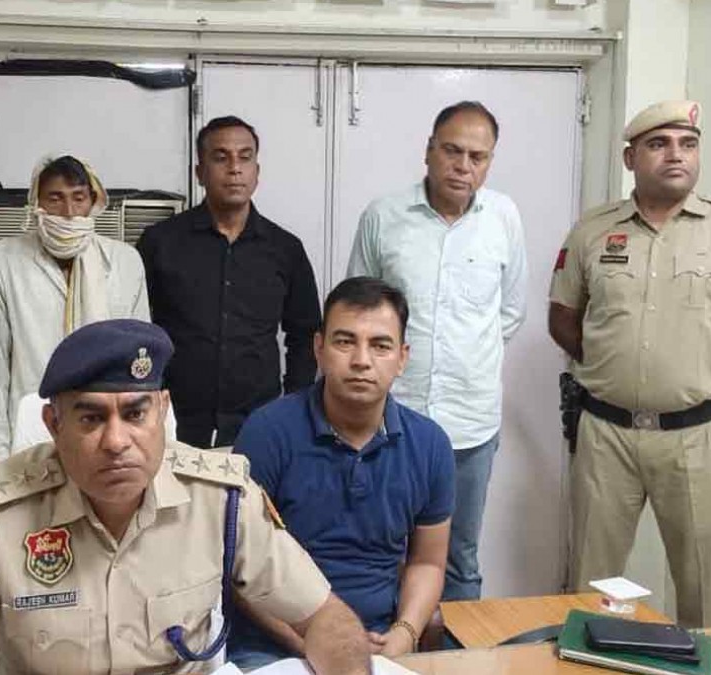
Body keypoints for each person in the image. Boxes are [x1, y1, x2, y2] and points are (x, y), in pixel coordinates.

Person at [0, 319, 374, 675]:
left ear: (162, 411)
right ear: (54, 425)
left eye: (136, 414)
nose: (117, 441)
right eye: (91, 419)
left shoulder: (221, 497)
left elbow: (326, 619)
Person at [548, 100, 711, 628]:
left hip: (698, 437)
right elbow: (562, 318)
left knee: (703, 588)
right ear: (630, 158)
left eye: (688, 144)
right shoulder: (592, 230)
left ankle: (704, 663)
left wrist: (705, 374)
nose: (676, 155)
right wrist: (612, 366)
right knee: (590, 586)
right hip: (605, 435)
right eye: (658, 145)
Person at [347, 100, 526, 602]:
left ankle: (452, 648)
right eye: (452, 151)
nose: (463, 166)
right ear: (428, 150)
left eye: (477, 156)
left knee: (459, 559)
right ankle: (385, 643)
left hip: (470, 425)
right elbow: (359, 314)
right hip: (391, 421)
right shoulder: (384, 216)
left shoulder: (504, 218)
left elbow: (509, 313)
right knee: (380, 551)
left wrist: (465, 357)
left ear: (489, 162)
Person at [229, 277, 455, 668]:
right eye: (345, 341)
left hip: (380, 640)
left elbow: (428, 562)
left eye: (380, 345)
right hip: (276, 645)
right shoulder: (267, 432)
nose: (361, 360)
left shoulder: (430, 445)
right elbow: (238, 569)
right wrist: (316, 646)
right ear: (319, 348)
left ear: (402, 357)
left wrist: (404, 634)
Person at [137, 115, 321, 449]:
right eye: (221, 158)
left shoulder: (285, 249)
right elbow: (138, 328)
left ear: (257, 171)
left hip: (259, 424)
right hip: (171, 422)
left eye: (245, 157)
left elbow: (305, 335)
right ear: (200, 172)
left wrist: (294, 406)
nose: (235, 168)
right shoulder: (159, 243)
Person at [0, 155, 148, 463]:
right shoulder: (4, 259)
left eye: (78, 198)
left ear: (93, 202)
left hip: (109, 429)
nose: (68, 212)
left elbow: (138, 363)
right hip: (32, 428)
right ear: (37, 202)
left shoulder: (125, 261)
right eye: (55, 198)